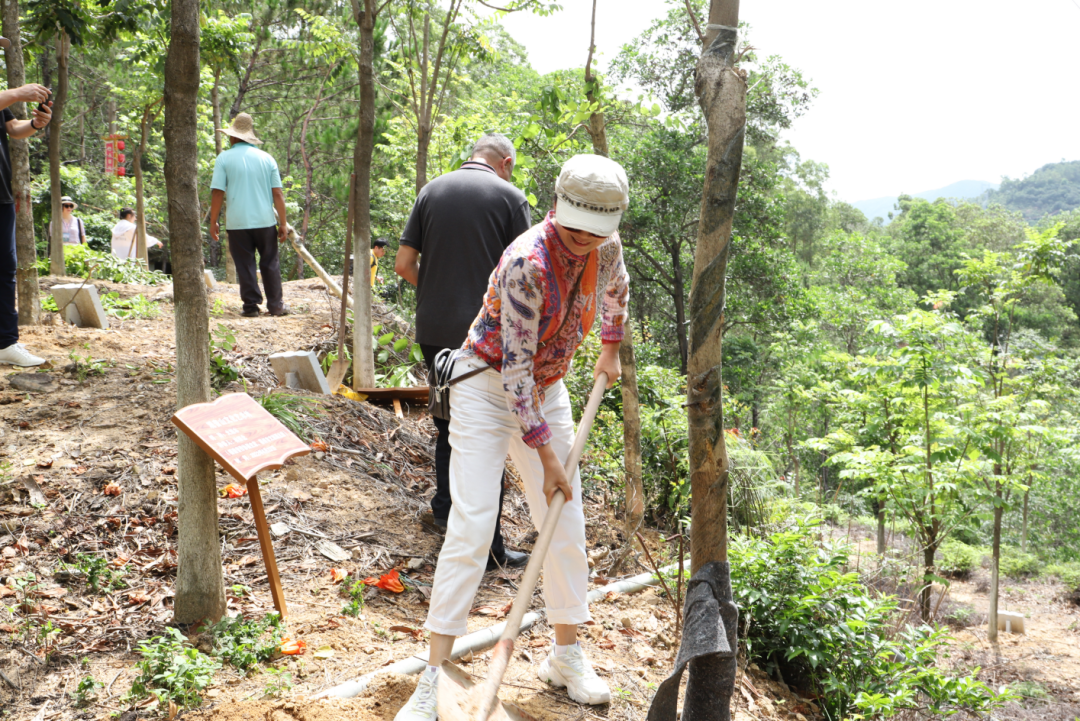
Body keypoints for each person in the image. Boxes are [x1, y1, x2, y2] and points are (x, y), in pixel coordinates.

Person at [394, 154, 630, 721]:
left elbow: (617, 291)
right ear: (556, 209)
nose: (583, 242)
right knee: (473, 524)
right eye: (574, 229)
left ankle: (566, 654)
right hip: (486, 386)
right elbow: (514, 372)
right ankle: (433, 675)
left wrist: (610, 347)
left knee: (565, 525)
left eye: (595, 233)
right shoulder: (528, 261)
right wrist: (548, 459)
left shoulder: (606, 245)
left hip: (546, 388)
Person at [396, 133, 532, 572]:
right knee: (487, 432)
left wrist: (434, 293)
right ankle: (489, 547)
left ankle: (443, 510)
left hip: (435, 330)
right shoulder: (510, 198)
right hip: (486, 336)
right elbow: (529, 272)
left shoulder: (430, 190)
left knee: (447, 422)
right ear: (505, 163)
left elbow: (403, 264)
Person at [208, 112, 289, 318]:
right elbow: (277, 193)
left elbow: (218, 191)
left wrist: (214, 220)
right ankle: (276, 306)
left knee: (245, 264)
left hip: (237, 223)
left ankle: (251, 306)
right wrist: (283, 223)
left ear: (234, 137)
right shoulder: (267, 158)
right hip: (265, 221)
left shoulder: (224, 158)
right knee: (270, 262)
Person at [0, 76, 53, 368]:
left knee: (5, 270)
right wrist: (17, 93)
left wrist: (34, 125)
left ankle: (6, 343)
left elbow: (12, 129)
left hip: (2, 195)